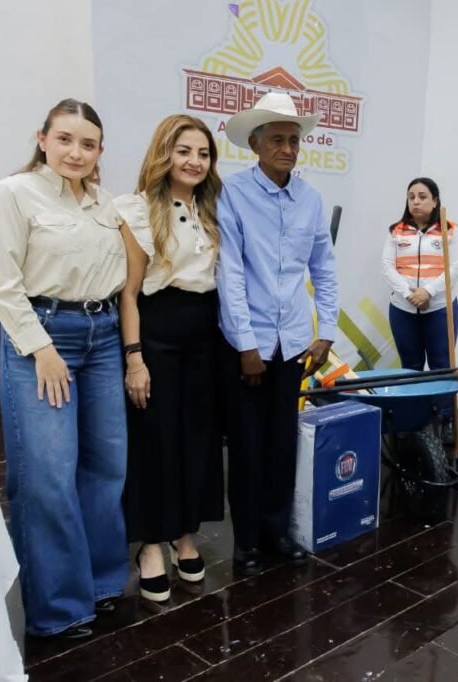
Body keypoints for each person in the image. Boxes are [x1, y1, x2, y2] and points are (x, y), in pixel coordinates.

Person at [0, 98, 128, 639]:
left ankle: (102, 582)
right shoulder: (13, 193)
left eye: (88, 144)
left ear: (101, 151)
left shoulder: (106, 204)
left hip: (103, 334)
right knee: (47, 473)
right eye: (64, 139)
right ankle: (59, 608)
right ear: (42, 138)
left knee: (107, 465)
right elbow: (2, 282)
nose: (75, 152)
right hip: (43, 337)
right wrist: (40, 349)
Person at [217, 92, 339, 576]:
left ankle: (276, 532)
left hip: (293, 343)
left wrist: (326, 330)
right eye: (277, 140)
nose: (288, 148)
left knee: (282, 443)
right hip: (247, 345)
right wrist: (246, 344)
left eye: (294, 140)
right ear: (255, 144)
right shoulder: (233, 193)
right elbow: (230, 272)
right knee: (247, 447)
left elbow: (324, 267)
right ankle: (246, 541)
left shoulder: (310, 199)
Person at [114, 115, 224, 602]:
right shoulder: (138, 210)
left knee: (196, 438)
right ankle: (152, 544)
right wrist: (134, 359)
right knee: (155, 438)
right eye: (184, 151)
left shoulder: (213, 208)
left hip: (205, 334)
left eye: (203, 153)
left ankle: (184, 533)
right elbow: (129, 294)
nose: (194, 161)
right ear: (164, 153)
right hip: (156, 331)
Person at [380, 177, 458, 442]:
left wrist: (428, 291)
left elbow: (455, 268)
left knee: (442, 366)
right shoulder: (396, 230)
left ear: (435, 201)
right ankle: (413, 420)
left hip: (439, 308)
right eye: (411, 197)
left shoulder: (449, 229)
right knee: (411, 367)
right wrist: (410, 294)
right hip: (403, 309)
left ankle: (445, 419)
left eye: (423, 196)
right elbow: (387, 267)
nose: (416, 201)